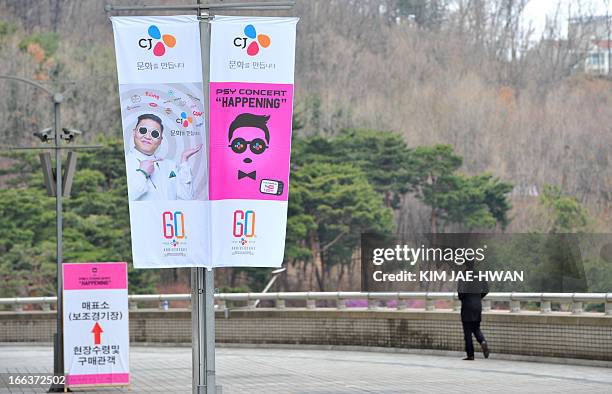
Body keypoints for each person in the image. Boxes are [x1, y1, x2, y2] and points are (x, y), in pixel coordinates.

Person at [125, 113, 202, 201]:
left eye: (154, 134)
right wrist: (142, 173)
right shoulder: (125, 162)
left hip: (169, 214)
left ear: (160, 140)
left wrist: (184, 162)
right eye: (143, 130)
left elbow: (187, 198)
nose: (147, 136)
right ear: (134, 132)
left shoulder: (169, 165)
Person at [457, 261, 490, 360]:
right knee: (476, 328)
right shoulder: (479, 274)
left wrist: (463, 298)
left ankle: (470, 355)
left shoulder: (463, 275)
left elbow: (461, 293)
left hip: (467, 306)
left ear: (465, 265)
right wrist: (478, 297)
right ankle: (482, 341)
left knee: (467, 332)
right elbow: (486, 289)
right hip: (477, 306)